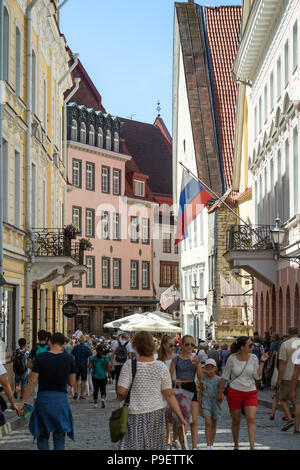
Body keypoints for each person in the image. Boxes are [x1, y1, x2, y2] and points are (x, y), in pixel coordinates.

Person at [117, 331, 188, 450]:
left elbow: (120, 391)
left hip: (134, 415)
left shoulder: (129, 365)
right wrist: (181, 417)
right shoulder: (161, 367)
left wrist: (125, 397)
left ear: (135, 346)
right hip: (156, 415)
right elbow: (169, 395)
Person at [18, 333, 76, 450]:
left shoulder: (40, 358)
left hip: (44, 400)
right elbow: (72, 383)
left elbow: (33, 380)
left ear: (49, 342)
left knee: (42, 436)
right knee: (59, 438)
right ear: (64, 344)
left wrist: (23, 401)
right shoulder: (69, 359)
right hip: (61, 400)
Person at [217, 336, 269, 450]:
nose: (252, 347)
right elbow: (225, 376)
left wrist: (262, 362)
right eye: (250, 345)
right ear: (242, 347)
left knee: (251, 418)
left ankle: (252, 446)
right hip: (235, 391)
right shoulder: (232, 358)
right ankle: (236, 444)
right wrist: (220, 392)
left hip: (250, 392)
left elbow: (257, 376)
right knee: (236, 420)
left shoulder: (254, 358)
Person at [169, 335, 202, 450]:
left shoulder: (195, 358)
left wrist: (198, 364)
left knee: (194, 420)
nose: (189, 347)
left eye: (192, 344)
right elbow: (169, 377)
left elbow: (200, 377)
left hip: (191, 386)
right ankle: (183, 446)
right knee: (181, 421)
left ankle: (194, 447)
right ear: (182, 345)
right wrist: (175, 380)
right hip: (180, 388)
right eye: (187, 344)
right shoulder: (176, 359)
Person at [276, 327, 300, 432]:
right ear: (298, 333)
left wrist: (279, 379)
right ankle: (297, 427)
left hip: (287, 377)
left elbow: (282, 364)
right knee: (298, 402)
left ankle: (290, 419)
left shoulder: (285, 344)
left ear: (289, 334)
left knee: (282, 399)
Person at [157, 335, 178, 449]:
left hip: (174, 389)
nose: (173, 347)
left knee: (174, 416)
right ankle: (167, 439)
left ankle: (175, 439)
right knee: (165, 417)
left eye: (175, 345)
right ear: (164, 345)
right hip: (162, 391)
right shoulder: (158, 360)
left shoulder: (177, 358)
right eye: (170, 345)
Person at [199, 359, 221, 450]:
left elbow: (221, 393)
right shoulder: (203, 379)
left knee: (214, 424)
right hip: (206, 403)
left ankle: (211, 443)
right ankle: (208, 444)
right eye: (207, 368)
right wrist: (200, 406)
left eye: (211, 368)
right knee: (208, 422)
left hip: (215, 404)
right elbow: (200, 392)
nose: (209, 370)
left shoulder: (219, 380)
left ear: (215, 368)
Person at [71, 335, 92, 400]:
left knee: (76, 380)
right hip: (84, 365)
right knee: (83, 380)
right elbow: (90, 357)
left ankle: (76, 392)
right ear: (85, 341)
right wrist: (90, 365)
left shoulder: (75, 347)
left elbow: (72, 357)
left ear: (79, 340)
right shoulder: (87, 348)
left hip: (76, 365)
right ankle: (82, 394)